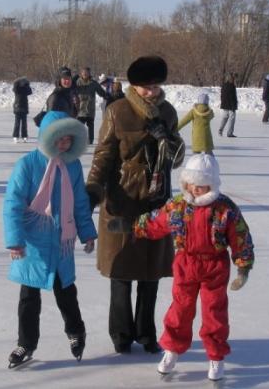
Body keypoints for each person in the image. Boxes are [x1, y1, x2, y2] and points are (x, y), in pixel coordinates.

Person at [109, 154, 254, 381]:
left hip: (214, 265)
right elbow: (156, 222)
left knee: (214, 311)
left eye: (202, 185)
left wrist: (243, 267)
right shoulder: (178, 206)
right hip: (186, 263)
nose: (196, 189)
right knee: (180, 309)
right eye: (192, 184)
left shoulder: (225, 208)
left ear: (212, 184)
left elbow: (240, 236)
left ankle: (216, 356)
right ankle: (172, 350)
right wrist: (131, 225)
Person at [86, 55, 185, 354]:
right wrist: (93, 188)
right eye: (146, 87)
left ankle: (146, 333)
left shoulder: (167, 112)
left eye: (155, 87)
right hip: (122, 200)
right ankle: (121, 335)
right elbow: (103, 155)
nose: (151, 92)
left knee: (150, 274)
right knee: (122, 274)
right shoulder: (118, 110)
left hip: (156, 202)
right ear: (135, 86)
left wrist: (167, 139)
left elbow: (178, 157)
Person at [3, 111, 97, 367]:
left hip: (62, 243)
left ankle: (76, 332)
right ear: (46, 137)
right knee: (28, 298)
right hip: (33, 244)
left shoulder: (73, 166)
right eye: (58, 139)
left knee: (66, 293)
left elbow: (80, 203)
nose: (63, 144)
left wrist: (88, 232)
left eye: (68, 139)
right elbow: (13, 204)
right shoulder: (27, 165)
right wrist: (15, 240)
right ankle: (26, 343)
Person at [76, 67, 107, 144]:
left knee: (91, 126)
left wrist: (109, 96)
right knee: (79, 127)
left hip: (90, 110)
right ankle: (78, 141)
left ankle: (90, 141)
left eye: (86, 72)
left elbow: (101, 92)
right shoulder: (77, 83)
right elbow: (71, 92)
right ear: (81, 73)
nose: (85, 74)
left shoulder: (93, 83)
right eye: (83, 72)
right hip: (80, 110)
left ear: (89, 73)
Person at [12, 76, 32, 143]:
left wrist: (27, 84)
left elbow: (30, 92)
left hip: (24, 108)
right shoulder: (17, 89)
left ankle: (24, 136)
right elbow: (14, 89)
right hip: (18, 107)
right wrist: (16, 82)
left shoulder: (25, 89)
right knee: (17, 123)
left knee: (24, 123)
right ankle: (15, 136)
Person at [218, 73, 238, 138]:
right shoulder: (232, 86)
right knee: (232, 118)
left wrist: (223, 103)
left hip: (225, 104)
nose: (234, 80)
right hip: (230, 105)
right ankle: (229, 133)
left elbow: (222, 96)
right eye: (233, 78)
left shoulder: (223, 85)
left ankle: (220, 130)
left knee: (225, 117)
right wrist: (233, 106)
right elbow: (232, 97)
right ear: (231, 79)